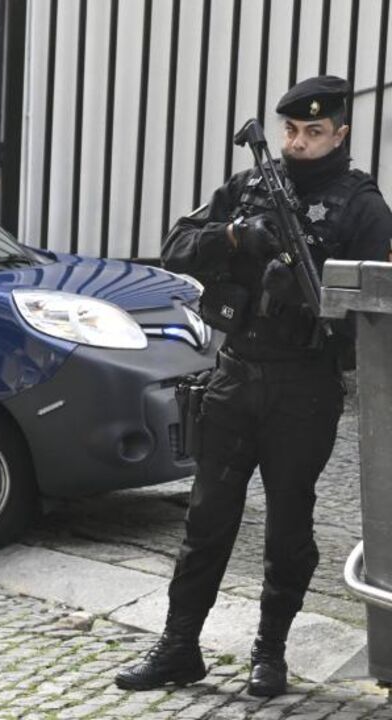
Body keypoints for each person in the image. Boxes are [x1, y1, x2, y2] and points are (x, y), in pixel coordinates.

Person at [115, 76, 392, 697]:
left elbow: (374, 314)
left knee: (289, 526)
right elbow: (176, 247)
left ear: (341, 133)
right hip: (235, 375)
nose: (298, 143)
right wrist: (236, 237)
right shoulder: (248, 186)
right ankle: (179, 646)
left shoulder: (364, 207)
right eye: (291, 130)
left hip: (305, 388)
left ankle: (270, 653)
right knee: (207, 518)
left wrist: (311, 294)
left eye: (313, 132)